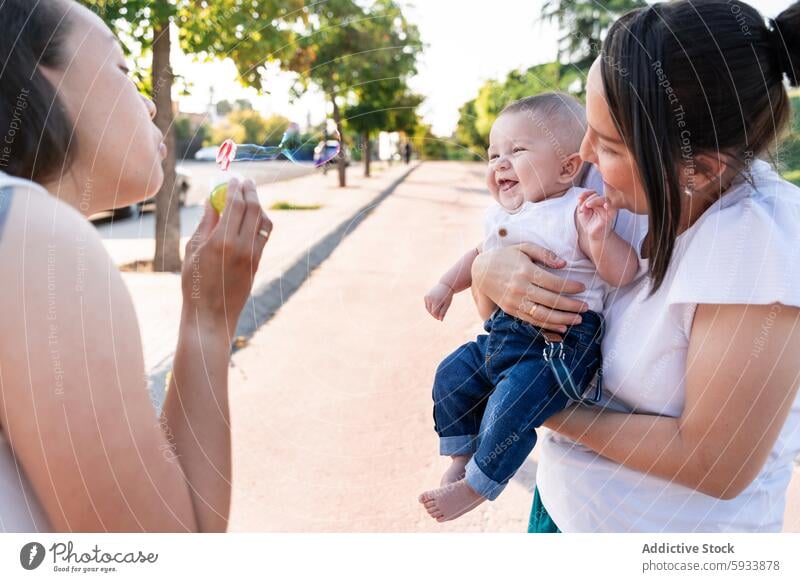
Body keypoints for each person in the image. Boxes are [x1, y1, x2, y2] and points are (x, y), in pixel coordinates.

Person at [471, 0, 800, 532]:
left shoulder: (757, 244)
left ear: (700, 169)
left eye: (607, 143)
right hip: (562, 507)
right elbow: (500, 308)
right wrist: (489, 272)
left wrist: (533, 401)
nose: (583, 154)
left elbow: (716, 461)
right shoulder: (613, 190)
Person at [0, 0, 271, 532]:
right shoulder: (34, 242)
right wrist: (208, 321)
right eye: (122, 69)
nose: (149, 106)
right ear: (35, 79)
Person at [419, 93, 639, 522]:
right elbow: (478, 255)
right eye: (493, 155)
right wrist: (448, 283)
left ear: (567, 166)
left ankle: (479, 485)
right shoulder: (502, 217)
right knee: (453, 372)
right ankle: (463, 453)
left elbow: (625, 271)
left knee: (511, 402)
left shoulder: (574, 209)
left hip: (560, 346)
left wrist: (598, 238)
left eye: (516, 151)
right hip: (504, 335)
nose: (500, 163)